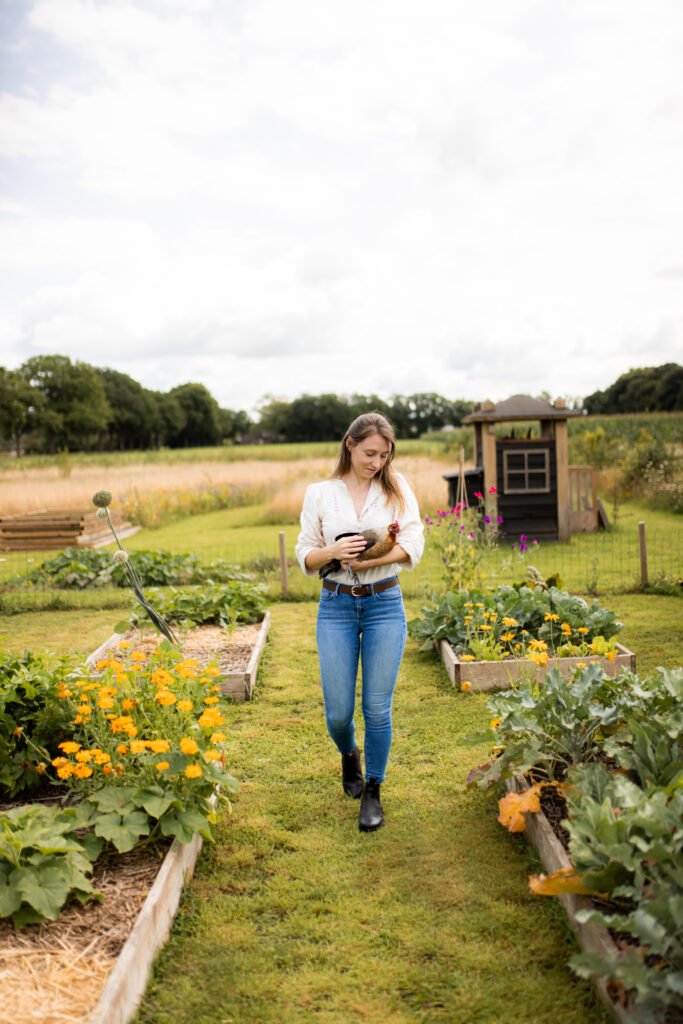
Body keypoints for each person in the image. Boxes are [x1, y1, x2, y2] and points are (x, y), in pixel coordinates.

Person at [295, 412, 424, 832]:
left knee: (376, 707)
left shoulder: (397, 488)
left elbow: (412, 544)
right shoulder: (320, 494)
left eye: (384, 455)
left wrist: (371, 557)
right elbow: (305, 556)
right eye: (370, 453)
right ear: (349, 444)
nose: (377, 463)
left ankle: (373, 789)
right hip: (335, 606)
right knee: (337, 713)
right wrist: (334, 553)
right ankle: (349, 752)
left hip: (384, 601)